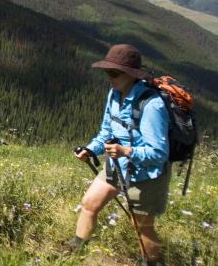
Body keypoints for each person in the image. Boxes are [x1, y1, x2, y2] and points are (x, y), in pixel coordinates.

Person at [70, 44, 170, 266]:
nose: (109, 77)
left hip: (146, 175)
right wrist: (90, 149)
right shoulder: (114, 95)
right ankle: (74, 253)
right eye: (107, 72)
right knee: (89, 204)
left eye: (114, 73)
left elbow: (159, 153)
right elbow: (106, 132)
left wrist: (127, 151)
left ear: (132, 74)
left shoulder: (152, 105)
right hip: (116, 166)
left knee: (141, 225)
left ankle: (153, 262)